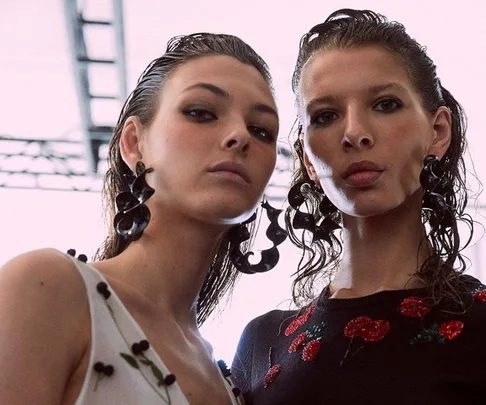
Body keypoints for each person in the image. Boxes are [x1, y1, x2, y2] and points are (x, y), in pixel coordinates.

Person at [0, 32, 285, 405]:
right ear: (134, 143)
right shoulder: (47, 288)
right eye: (200, 112)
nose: (238, 136)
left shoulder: (228, 382)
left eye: (261, 130)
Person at [232, 9, 486, 404]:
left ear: (437, 132)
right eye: (326, 115)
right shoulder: (260, 345)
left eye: (385, 104)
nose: (354, 133)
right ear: (307, 159)